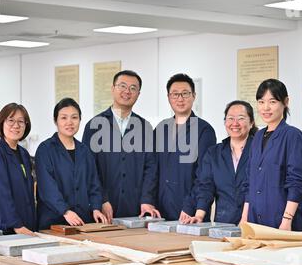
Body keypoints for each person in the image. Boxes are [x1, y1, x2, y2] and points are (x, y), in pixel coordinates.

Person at [82, 70, 159, 222]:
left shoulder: (145, 128)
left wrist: (146, 200)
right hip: (103, 210)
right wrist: (101, 200)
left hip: (136, 209)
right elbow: (89, 169)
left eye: (133, 88)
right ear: (112, 89)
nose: (127, 91)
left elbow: (151, 168)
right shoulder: (94, 126)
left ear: (138, 94)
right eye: (122, 86)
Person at [240, 79, 302, 231]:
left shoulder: (293, 136)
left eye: (272, 101)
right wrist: (244, 218)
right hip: (257, 221)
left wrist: (287, 220)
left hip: (285, 222)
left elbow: (298, 182)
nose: (265, 108)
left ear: (285, 102)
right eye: (261, 102)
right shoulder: (257, 138)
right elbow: (250, 182)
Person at [35, 98, 107, 229]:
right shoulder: (45, 149)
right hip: (53, 221)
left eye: (74, 117)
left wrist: (96, 208)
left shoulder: (84, 151)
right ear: (55, 120)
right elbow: (47, 188)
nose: (69, 122)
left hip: (82, 220)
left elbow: (94, 184)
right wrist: (65, 211)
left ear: (80, 120)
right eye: (63, 118)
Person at [154, 73, 216, 221]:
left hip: (189, 212)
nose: (180, 99)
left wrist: (190, 206)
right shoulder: (161, 129)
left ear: (194, 96)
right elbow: (152, 169)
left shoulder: (204, 130)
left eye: (185, 94)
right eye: (175, 94)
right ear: (168, 97)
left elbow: (205, 174)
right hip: (160, 210)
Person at [187, 100, 257, 224]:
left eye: (241, 118)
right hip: (224, 223)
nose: (235, 123)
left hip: (255, 221)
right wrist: (199, 215)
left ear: (251, 123)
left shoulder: (260, 150)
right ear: (225, 122)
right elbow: (205, 187)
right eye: (230, 118)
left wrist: (245, 219)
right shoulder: (214, 153)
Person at [0, 103, 36, 235]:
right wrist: (16, 225)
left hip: (23, 228)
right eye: (11, 120)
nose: (16, 125)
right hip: (1, 229)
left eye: (21, 121)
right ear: (1, 122)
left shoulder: (24, 154)